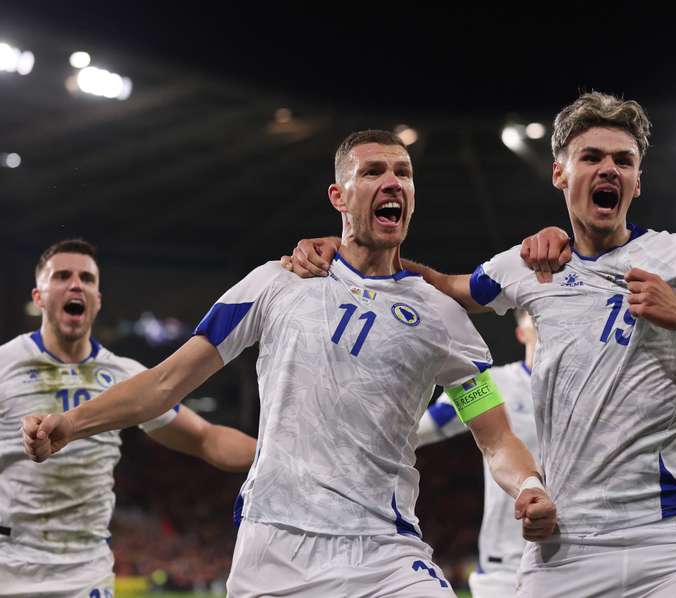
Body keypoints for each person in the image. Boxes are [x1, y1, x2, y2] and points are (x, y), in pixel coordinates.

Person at [285, 93, 676, 597]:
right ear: (560, 172)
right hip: (565, 543)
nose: (609, 169)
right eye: (591, 157)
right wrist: (345, 252)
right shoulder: (527, 264)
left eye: (623, 160)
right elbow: (446, 287)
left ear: (636, 180)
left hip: (669, 542)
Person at [23, 131, 556, 598]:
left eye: (403, 173)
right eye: (372, 171)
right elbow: (164, 383)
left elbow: (493, 436)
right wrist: (70, 424)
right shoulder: (275, 284)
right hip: (273, 548)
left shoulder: (443, 320)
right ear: (339, 196)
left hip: (384, 552)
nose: (392, 182)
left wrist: (528, 484)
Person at [0, 238, 257, 598]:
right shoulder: (4, 364)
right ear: (39, 296)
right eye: (62, 276)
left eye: (87, 279)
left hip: (84, 570)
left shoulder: (126, 377)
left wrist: (278, 455)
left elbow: (205, 438)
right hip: (9, 564)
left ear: (98, 300)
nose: (76, 284)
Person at [417, 309, 539, 598]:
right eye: (536, 316)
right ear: (521, 333)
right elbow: (417, 432)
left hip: (581, 554)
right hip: (508, 568)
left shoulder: (593, 392)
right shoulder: (494, 384)